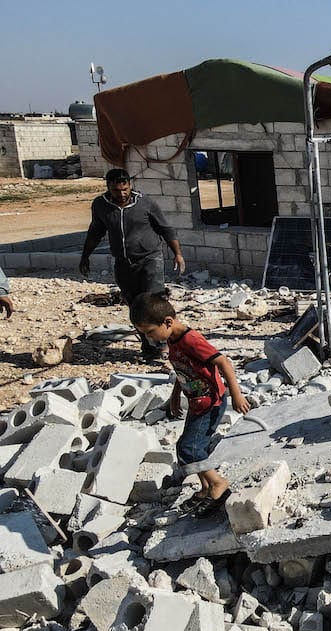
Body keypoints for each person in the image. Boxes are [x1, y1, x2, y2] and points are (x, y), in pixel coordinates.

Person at [130, 292, 250, 512]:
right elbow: (184, 369)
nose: (149, 338)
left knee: (189, 448)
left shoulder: (190, 340)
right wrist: (175, 395)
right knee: (191, 446)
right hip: (197, 402)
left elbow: (223, 363)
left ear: (167, 322)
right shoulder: (172, 339)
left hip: (211, 402)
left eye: (150, 332)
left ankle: (218, 483)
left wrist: (236, 395)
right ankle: (205, 487)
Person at [81, 168, 186, 361]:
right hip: (123, 263)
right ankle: (148, 345)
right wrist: (85, 256)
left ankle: (168, 346)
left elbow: (165, 229)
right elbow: (95, 232)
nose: (121, 194)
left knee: (155, 302)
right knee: (135, 305)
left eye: (125, 189)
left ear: (130, 185)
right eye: (115, 190)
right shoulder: (100, 205)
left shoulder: (145, 203)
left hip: (150, 259)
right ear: (108, 188)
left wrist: (177, 254)